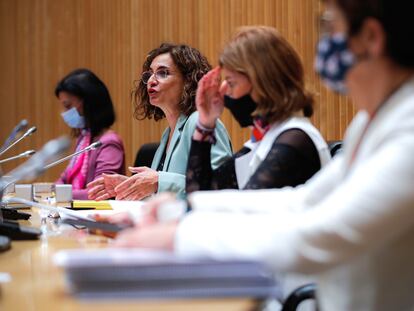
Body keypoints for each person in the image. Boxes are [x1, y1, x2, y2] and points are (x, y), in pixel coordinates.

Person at [112, 0, 414, 309]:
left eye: (330, 27)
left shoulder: (408, 130)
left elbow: (323, 232)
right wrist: (184, 208)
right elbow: (303, 200)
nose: (322, 42)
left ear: (372, 38)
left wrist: (180, 236)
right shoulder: (371, 120)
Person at [186, 27, 330, 194]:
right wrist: (205, 121)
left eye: (231, 83)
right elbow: (200, 193)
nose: (224, 92)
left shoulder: (295, 139)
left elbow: (244, 212)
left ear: (262, 82)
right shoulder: (265, 137)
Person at [87, 43, 232, 201]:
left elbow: (222, 186)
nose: (151, 80)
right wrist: (130, 186)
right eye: (149, 74)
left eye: (163, 73)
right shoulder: (168, 133)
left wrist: (159, 182)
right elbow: (165, 194)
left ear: (188, 80)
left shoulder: (200, 122)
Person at [55, 68, 125, 200]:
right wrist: (48, 191)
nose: (64, 112)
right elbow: (64, 179)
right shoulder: (84, 139)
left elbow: (101, 192)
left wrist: (56, 195)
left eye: (68, 106)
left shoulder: (109, 142)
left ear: (89, 103)